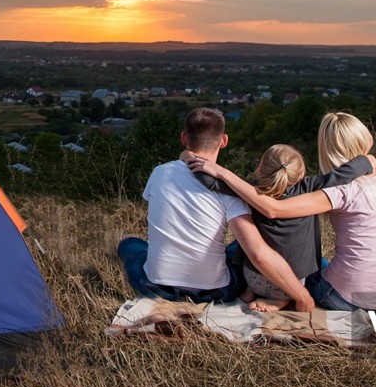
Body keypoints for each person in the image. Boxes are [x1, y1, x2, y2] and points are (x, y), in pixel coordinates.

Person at [117, 107, 314, 310]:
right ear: (224, 140)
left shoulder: (159, 173)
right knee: (241, 246)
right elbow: (257, 254)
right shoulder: (230, 192)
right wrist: (302, 297)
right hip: (213, 292)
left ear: (184, 138)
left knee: (129, 245)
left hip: (156, 287)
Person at [185, 113, 376, 311]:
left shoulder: (251, 189)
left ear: (260, 168)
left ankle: (251, 290)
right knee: (313, 262)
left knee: (239, 245)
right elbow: (340, 175)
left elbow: (216, 185)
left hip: (261, 279)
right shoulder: (311, 186)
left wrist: (191, 158)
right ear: (301, 174)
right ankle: (283, 297)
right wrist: (367, 160)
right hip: (301, 279)